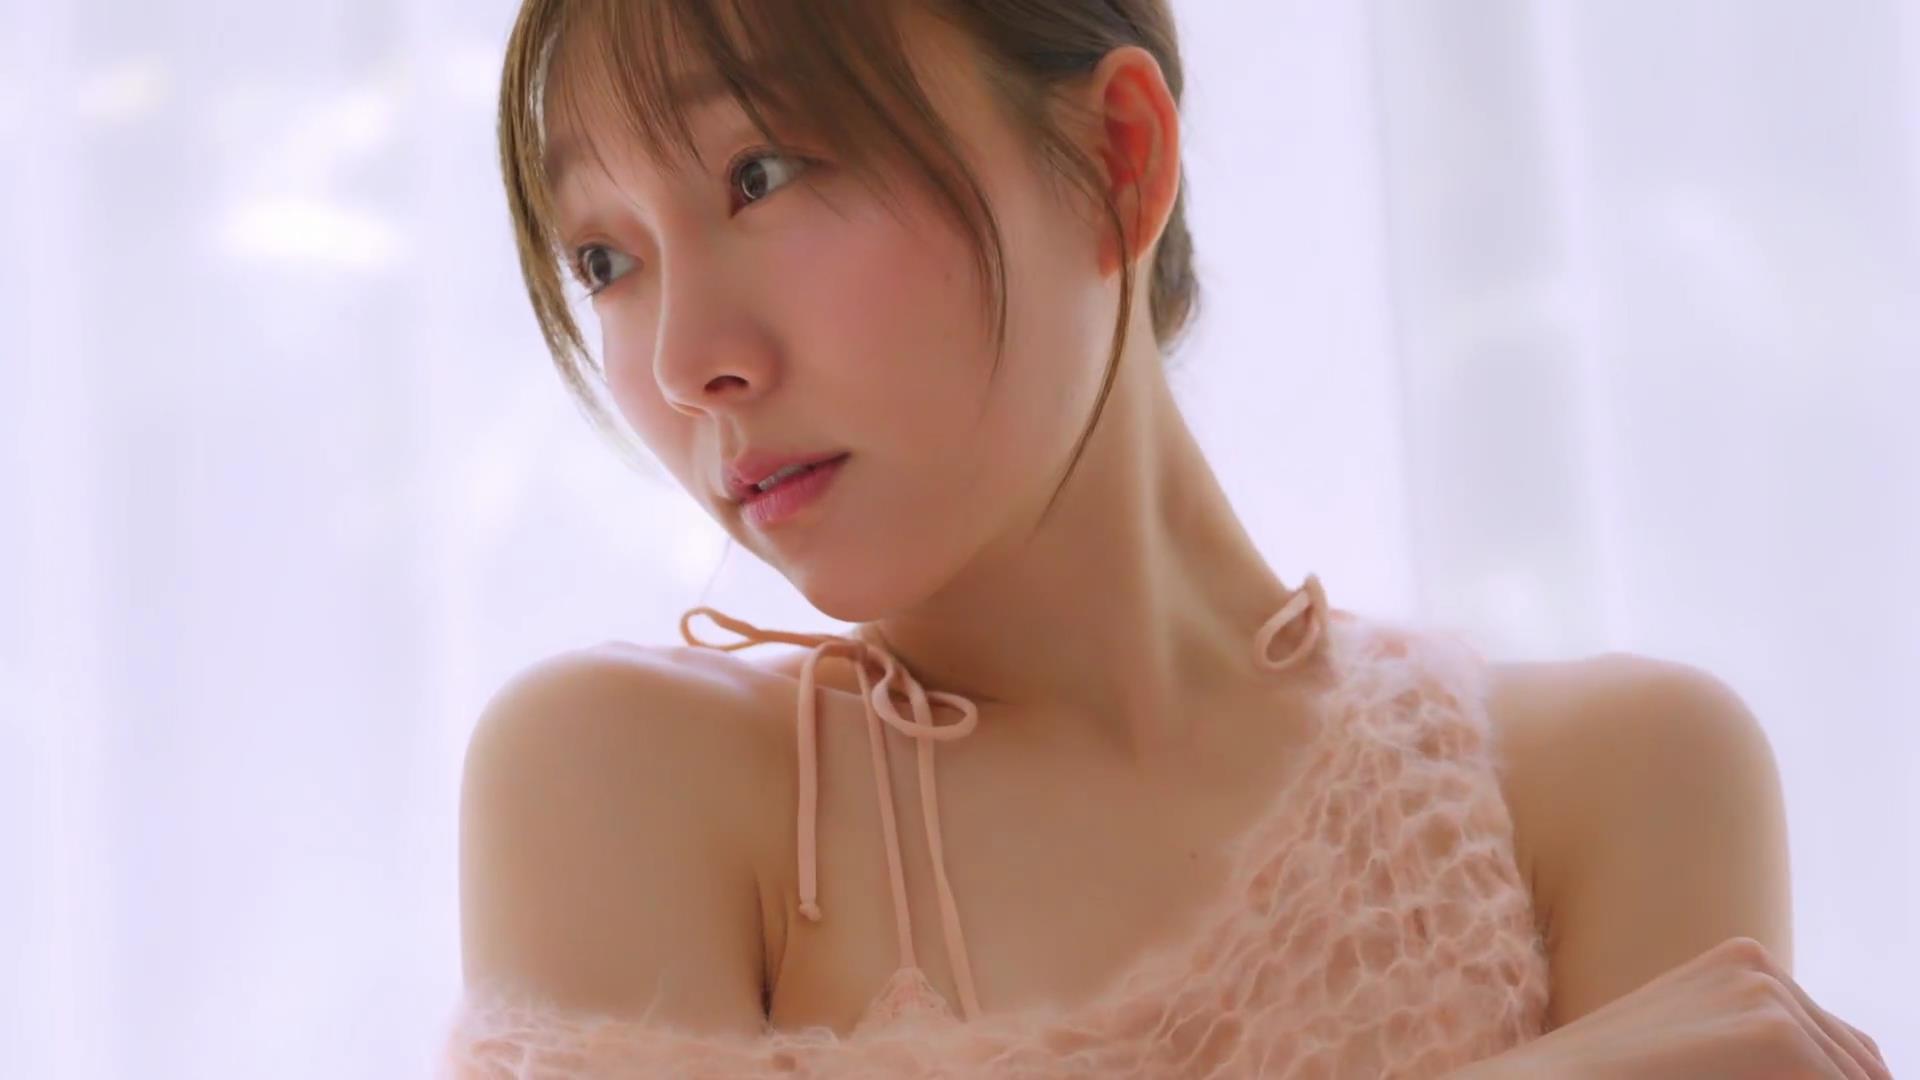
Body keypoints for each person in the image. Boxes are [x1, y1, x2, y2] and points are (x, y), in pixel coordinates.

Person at [442, 1, 1891, 1077]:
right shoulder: (627, 782)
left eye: (760, 174)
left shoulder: (1603, 788)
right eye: (605, 260)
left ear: (1114, 159)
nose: (687, 359)